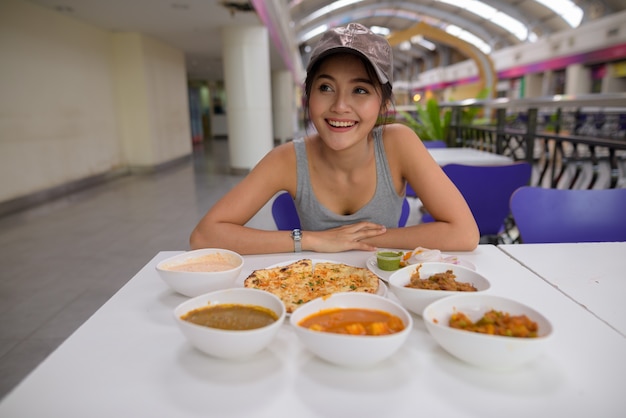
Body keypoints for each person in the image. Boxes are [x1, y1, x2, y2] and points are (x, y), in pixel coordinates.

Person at [190, 23, 479, 254]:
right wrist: (315, 240)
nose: (340, 106)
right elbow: (205, 235)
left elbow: (464, 234)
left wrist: (355, 241)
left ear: (383, 104)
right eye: (326, 87)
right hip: (314, 291)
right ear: (309, 96)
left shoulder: (397, 144)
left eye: (361, 90)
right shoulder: (288, 159)